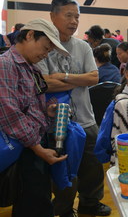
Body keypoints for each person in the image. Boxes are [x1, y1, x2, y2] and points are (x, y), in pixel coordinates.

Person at [37, 0, 111, 217]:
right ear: (52, 16)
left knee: (93, 165)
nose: (74, 21)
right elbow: (43, 83)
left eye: (77, 16)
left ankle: (90, 202)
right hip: (55, 122)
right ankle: (65, 209)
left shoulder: (83, 47)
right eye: (68, 15)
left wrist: (64, 76)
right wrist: (76, 78)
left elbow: (94, 78)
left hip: (86, 118)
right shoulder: (44, 45)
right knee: (64, 169)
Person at [0, 18, 69, 217]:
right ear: (30, 35)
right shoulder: (6, 65)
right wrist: (39, 150)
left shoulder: (31, 68)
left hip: (33, 145)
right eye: (45, 48)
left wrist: (47, 112)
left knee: (38, 200)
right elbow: (9, 113)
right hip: (23, 149)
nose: (45, 54)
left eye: (49, 52)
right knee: (32, 205)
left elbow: (28, 104)